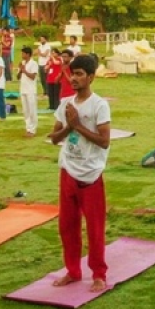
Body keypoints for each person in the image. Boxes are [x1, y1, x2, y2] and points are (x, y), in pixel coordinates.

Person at [51, 54, 112, 290]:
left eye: (79, 74)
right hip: (68, 171)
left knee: (95, 228)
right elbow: (55, 138)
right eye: (72, 73)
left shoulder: (99, 105)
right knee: (67, 226)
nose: (74, 78)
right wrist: (69, 126)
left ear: (91, 77)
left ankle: (99, 275)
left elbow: (104, 141)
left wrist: (78, 126)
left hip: (91, 176)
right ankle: (73, 271)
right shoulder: (66, 103)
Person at [19, 46, 40, 137]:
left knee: (32, 110)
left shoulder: (34, 63)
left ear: (28, 54)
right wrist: (20, 70)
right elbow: (18, 77)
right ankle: (28, 128)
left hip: (31, 90)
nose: (22, 55)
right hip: (23, 89)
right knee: (25, 111)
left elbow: (33, 76)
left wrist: (25, 70)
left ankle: (33, 129)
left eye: (23, 53)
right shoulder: (23, 63)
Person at [46, 46, 65, 112]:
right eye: (52, 53)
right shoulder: (50, 60)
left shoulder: (60, 59)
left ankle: (56, 106)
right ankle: (51, 106)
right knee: (50, 93)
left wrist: (52, 58)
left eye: (54, 53)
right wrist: (48, 65)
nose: (52, 54)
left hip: (57, 79)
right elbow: (46, 68)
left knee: (56, 93)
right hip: (50, 79)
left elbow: (56, 63)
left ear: (57, 54)